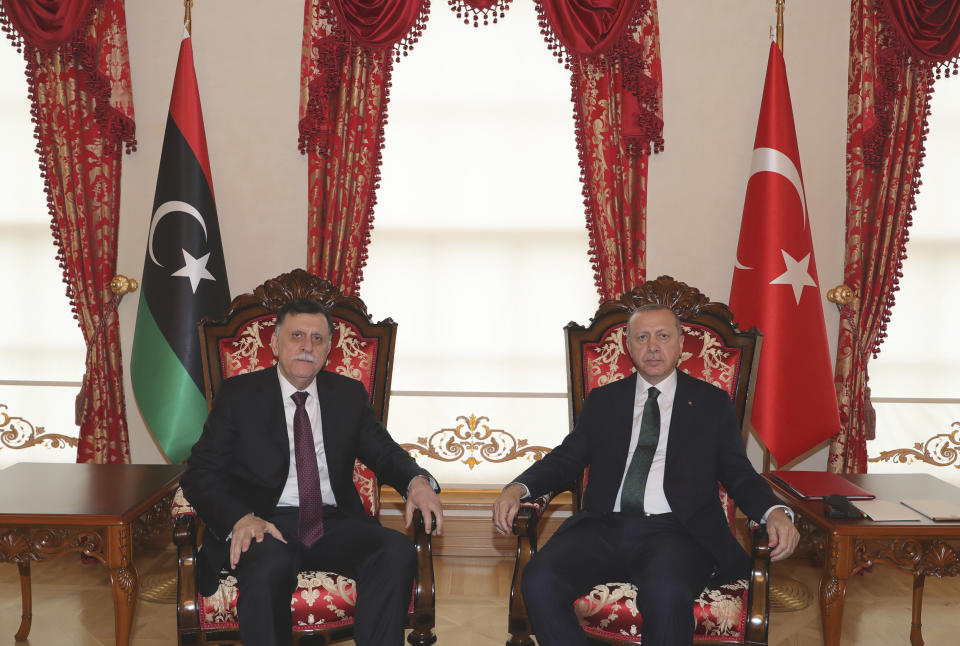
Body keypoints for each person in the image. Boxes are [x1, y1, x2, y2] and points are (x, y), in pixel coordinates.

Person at [492, 304, 799, 646]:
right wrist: (518, 487)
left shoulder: (711, 403)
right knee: (539, 579)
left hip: (677, 531)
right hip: (603, 526)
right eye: (642, 337)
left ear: (681, 345)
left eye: (663, 336)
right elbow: (567, 457)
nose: (653, 346)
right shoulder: (604, 400)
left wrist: (775, 513)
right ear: (629, 346)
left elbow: (739, 473)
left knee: (666, 593)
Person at [182, 298, 443, 646]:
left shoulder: (348, 395)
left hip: (332, 521)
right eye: (297, 336)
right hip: (265, 523)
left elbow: (384, 452)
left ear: (329, 349)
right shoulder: (239, 395)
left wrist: (417, 482)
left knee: (395, 550)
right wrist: (239, 518)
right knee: (267, 568)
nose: (307, 346)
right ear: (275, 344)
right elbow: (200, 472)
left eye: (318, 339)